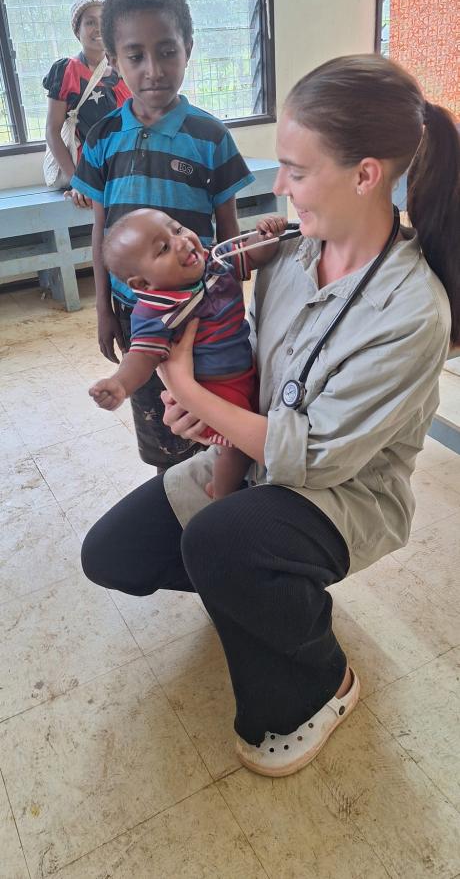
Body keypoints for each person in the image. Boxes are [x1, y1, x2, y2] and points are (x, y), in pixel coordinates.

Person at [81, 54, 460, 777]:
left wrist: (187, 389)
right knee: (112, 554)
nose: (279, 185)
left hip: (341, 493)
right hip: (257, 458)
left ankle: (323, 683)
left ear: (365, 175)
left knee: (220, 540)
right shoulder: (291, 253)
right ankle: (260, 590)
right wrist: (208, 410)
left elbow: (312, 457)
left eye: (296, 169)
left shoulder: (411, 312)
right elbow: (255, 362)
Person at [71, 0, 254, 470]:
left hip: (205, 315)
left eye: (167, 51)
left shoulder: (210, 137)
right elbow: (101, 231)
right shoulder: (103, 136)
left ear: (188, 48)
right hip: (139, 314)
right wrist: (104, 308)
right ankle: (170, 492)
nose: (154, 70)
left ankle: (220, 493)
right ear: (114, 60)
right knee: (161, 429)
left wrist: (233, 300)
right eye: (136, 56)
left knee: (218, 423)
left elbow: (229, 230)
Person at [89, 208, 287, 498]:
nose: (182, 242)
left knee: (255, 432)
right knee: (238, 448)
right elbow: (141, 356)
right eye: (163, 249)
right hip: (215, 389)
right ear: (142, 284)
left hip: (248, 370)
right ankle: (221, 496)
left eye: (178, 229)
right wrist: (120, 383)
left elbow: (256, 254)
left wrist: (266, 235)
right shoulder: (154, 311)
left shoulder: (216, 259)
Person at [43, 0, 130, 204]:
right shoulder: (66, 71)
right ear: (77, 31)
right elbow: (52, 131)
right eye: (90, 22)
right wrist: (78, 182)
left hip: (125, 170)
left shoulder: (125, 69)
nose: (98, 28)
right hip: (90, 173)